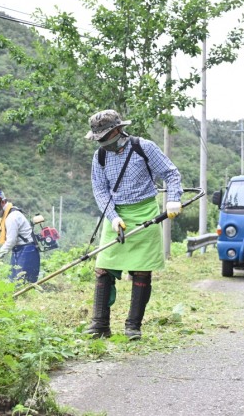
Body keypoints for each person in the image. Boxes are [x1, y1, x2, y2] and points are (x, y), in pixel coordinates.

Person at [84, 109, 183, 340]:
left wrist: (173, 199)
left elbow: (171, 173)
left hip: (144, 212)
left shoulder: (143, 147)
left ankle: (133, 326)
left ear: (117, 130)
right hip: (116, 215)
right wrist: (113, 217)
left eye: (104, 137)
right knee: (103, 268)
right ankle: (100, 325)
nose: (101, 142)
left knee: (141, 271)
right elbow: (99, 190)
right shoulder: (100, 156)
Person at [0, 189, 41, 283]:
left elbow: (11, 241)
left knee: (23, 283)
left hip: (27, 250)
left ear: (2, 202)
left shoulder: (12, 217)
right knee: (13, 281)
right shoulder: (7, 214)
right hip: (19, 249)